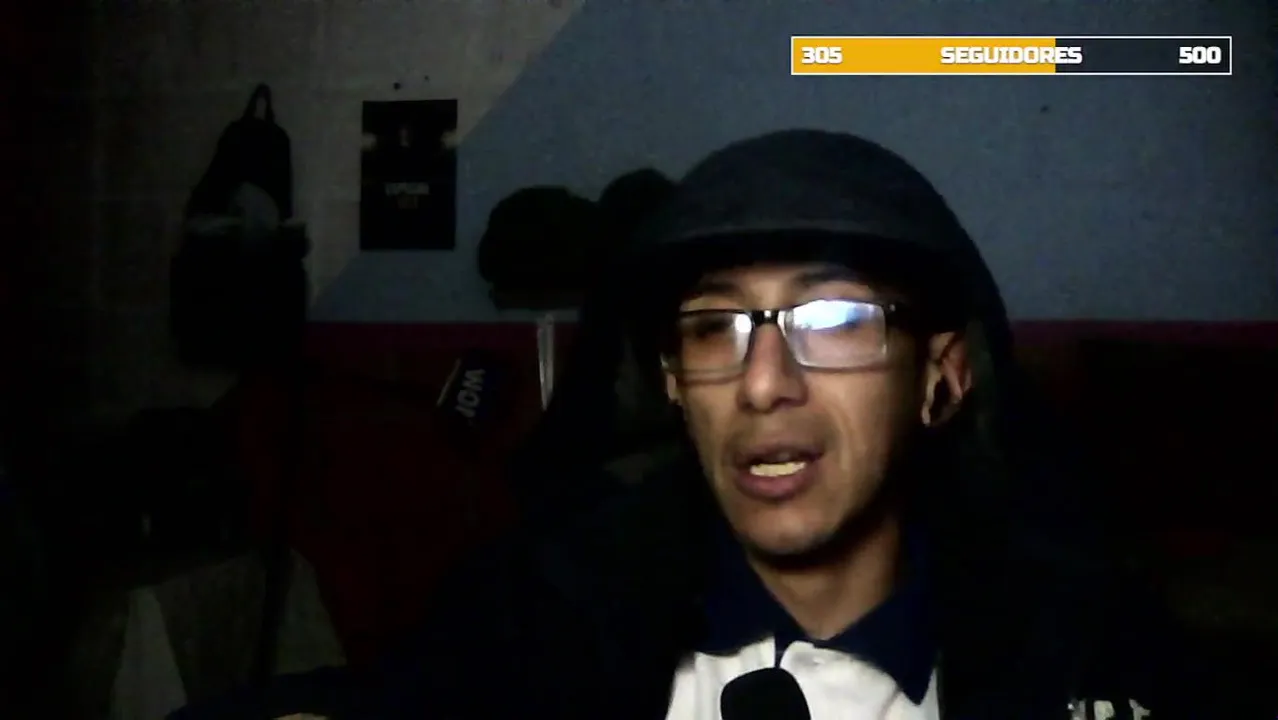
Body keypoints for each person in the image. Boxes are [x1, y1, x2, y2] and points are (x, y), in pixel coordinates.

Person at [175, 130, 1216, 719]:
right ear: (673, 385)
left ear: (941, 380)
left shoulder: (1085, 644)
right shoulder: (545, 613)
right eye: (715, 326)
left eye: (832, 320)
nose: (762, 383)